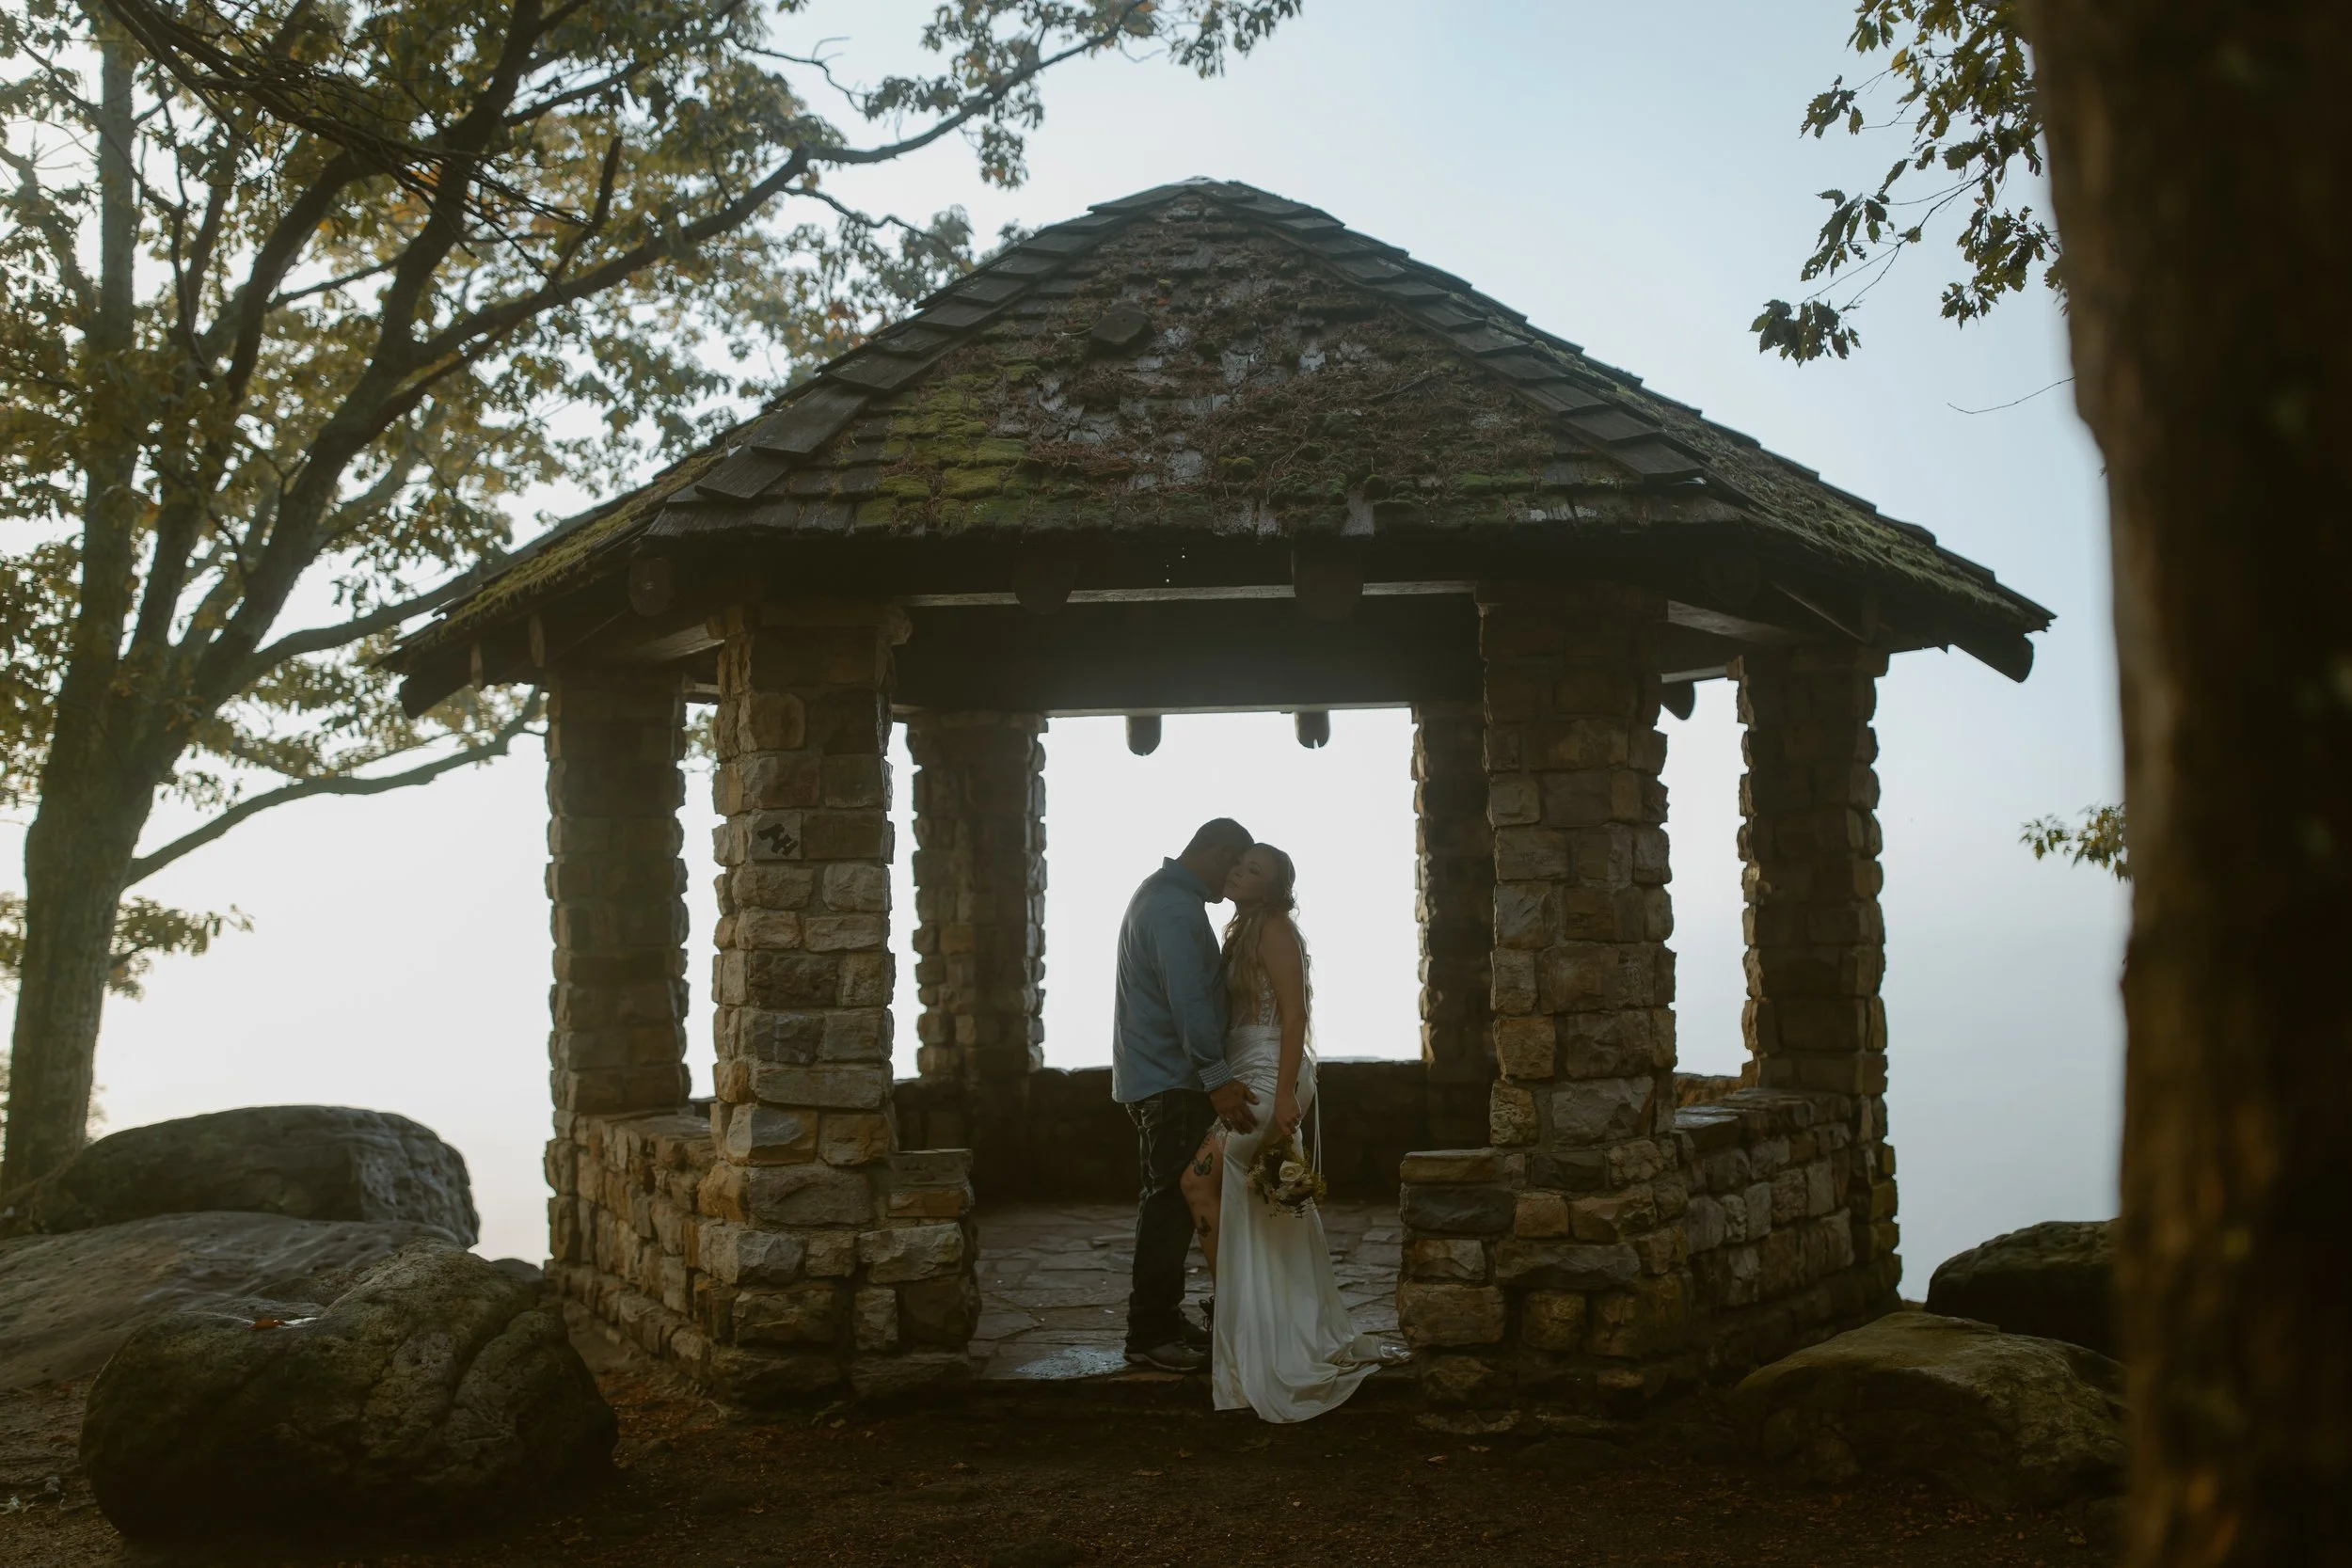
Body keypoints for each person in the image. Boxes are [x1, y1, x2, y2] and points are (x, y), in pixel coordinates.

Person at [1180, 843, 1391, 1420]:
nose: (1238, 871)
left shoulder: (1274, 929)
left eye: (1253, 870)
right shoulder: (1242, 929)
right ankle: (1275, 1324)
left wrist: (1281, 1095)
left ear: (1272, 891)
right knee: (1270, 1205)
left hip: (1270, 1075)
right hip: (1251, 1068)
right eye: (1239, 863)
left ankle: (1240, 1320)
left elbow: (1294, 1014)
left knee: (1198, 1183)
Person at [1112, 817, 1260, 1372]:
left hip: (1158, 1077)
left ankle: (1162, 1319)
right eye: (1234, 866)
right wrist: (1217, 1078)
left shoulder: (1162, 894)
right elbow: (1190, 1002)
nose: (1233, 881)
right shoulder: (1175, 908)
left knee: (1167, 1202)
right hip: (1172, 1082)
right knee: (1169, 1208)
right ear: (1217, 852)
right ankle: (1149, 1334)